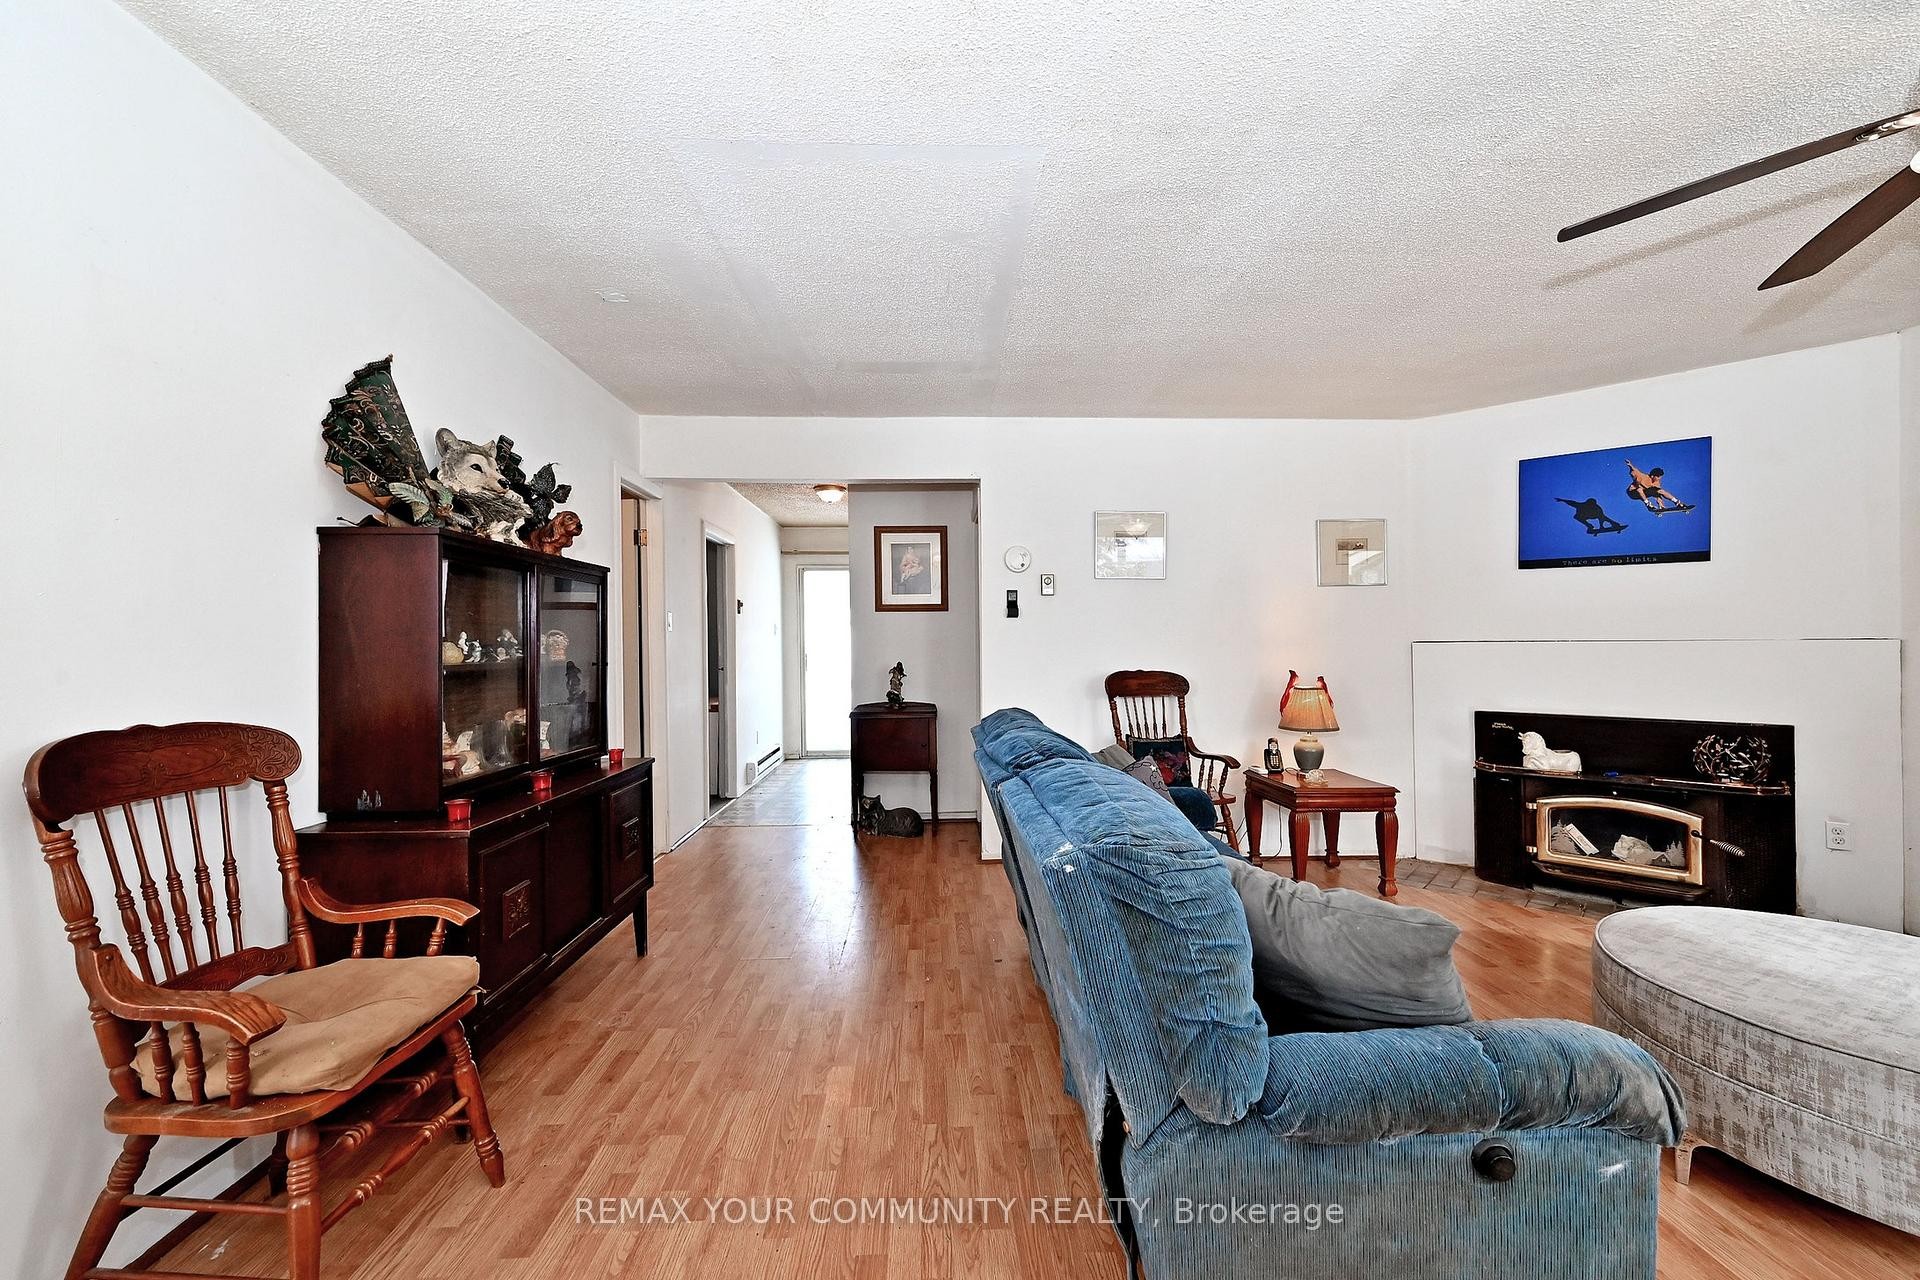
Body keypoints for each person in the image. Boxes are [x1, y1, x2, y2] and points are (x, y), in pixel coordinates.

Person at [1625, 459, 1689, 512]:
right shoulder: (1644, 476)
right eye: (1658, 477)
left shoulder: (1657, 483)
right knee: (1639, 489)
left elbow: (1657, 494)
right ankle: (1648, 505)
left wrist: (1661, 504)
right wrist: (1630, 465)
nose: (1659, 478)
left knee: (1661, 491)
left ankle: (1677, 503)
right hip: (1633, 493)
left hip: (1645, 492)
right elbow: (1635, 470)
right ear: (1652, 476)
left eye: (1660, 477)